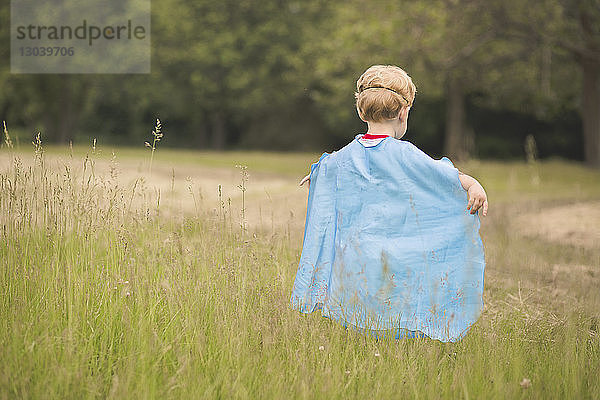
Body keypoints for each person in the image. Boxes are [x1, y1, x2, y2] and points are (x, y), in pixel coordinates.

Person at [290, 65, 487, 342]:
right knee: (396, 304)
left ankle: (367, 347)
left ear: (361, 112)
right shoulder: (405, 154)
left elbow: (326, 169)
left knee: (361, 319)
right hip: (395, 255)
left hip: (356, 257)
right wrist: (472, 185)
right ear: (404, 113)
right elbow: (442, 176)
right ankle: (395, 348)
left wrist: (317, 177)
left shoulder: (345, 155)